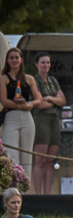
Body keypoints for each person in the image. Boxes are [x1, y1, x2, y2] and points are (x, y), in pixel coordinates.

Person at [1, 48, 43, 176]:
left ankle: (25, 187)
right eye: (11, 58)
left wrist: (29, 104)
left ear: (21, 60)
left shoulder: (28, 79)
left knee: (27, 155)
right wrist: (19, 106)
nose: (14, 60)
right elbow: (4, 100)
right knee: (11, 154)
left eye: (16, 58)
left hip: (27, 118)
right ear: (7, 60)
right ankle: (12, 189)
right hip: (11, 117)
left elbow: (38, 99)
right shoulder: (3, 78)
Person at [31, 52, 66, 194]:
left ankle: (48, 193)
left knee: (51, 161)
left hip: (54, 120)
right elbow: (39, 104)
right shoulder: (34, 80)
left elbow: (62, 101)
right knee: (40, 160)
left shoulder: (52, 80)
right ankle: (38, 194)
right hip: (41, 119)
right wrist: (54, 101)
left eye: (48, 62)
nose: (46, 65)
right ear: (37, 64)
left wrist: (49, 99)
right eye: (43, 62)